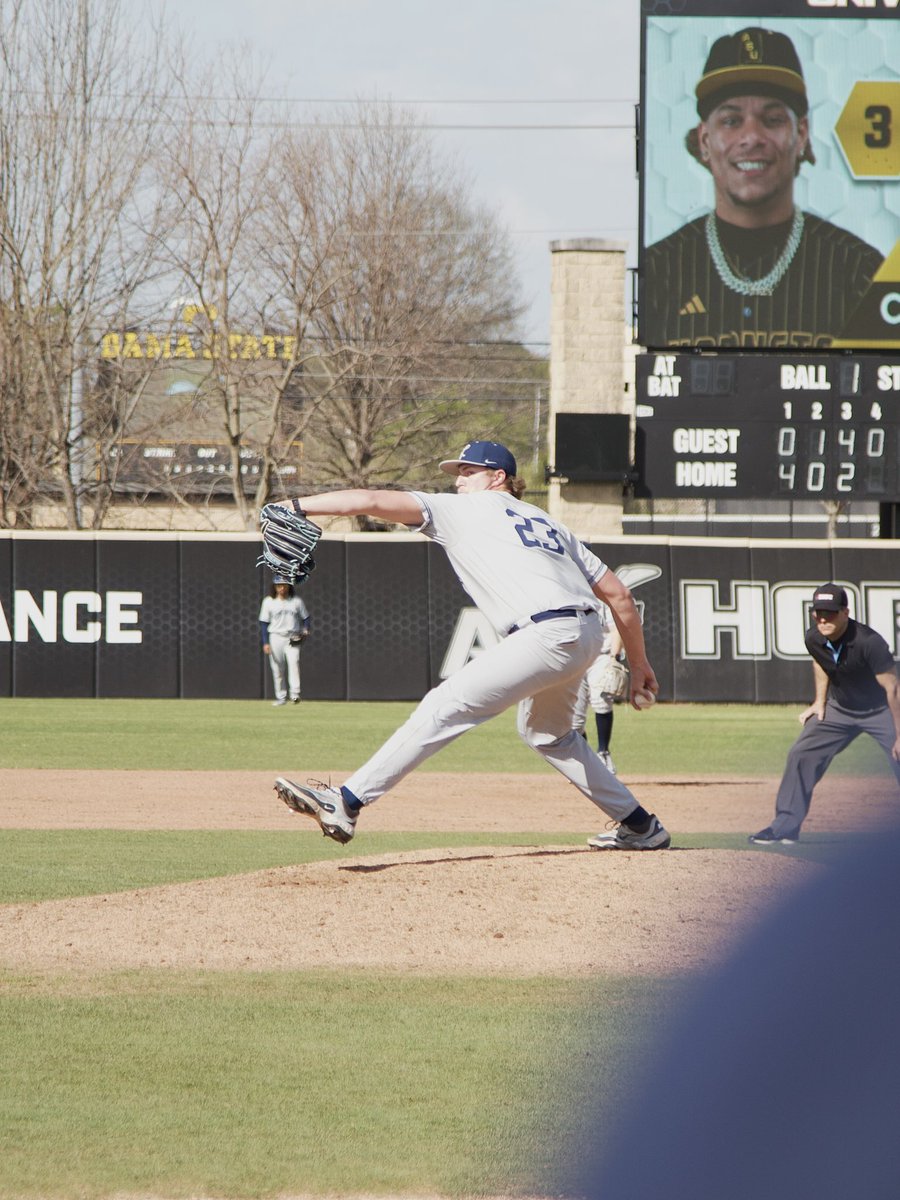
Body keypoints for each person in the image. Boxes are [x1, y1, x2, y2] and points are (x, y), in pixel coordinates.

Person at [270, 439, 670, 851]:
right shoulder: (548, 522)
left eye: (467, 471)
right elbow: (619, 596)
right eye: (457, 472)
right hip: (584, 634)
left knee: (447, 705)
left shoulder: (461, 508)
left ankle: (345, 802)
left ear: (498, 477)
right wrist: (639, 664)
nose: (458, 480)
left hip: (546, 634)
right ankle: (640, 825)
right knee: (549, 735)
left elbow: (369, 499)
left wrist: (297, 506)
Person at [643, 27, 883, 349]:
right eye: (731, 121)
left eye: (771, 120)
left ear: (800, 135)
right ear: (704, 141)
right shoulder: (659, 271)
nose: (752, 137)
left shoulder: (860, 271)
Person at [750, 583, 900, 845]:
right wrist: (819, 701)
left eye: (830, 612)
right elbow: (821, 662)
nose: (823, 618)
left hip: (882, 710)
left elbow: (893, 689)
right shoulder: (814, 637)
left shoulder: (869, 642)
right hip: (840, 708)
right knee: (801, 753)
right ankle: (784, 827)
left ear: (845, 612)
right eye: (818, 612)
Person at [572, 612, 625, 775]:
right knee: (575, 721)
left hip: (602, 656)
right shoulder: (570, 593)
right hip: (575, 657)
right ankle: (585, 761)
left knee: (601, 701)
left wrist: (614, 658)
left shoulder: (603, 596)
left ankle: (603, 752)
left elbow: (618, 628)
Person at [258, 576, 310, 707]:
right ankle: (281, 696)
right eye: (278, 585)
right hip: (275, 636)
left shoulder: (296, 601)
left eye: (284, 585)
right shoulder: (269, 602)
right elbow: (264, 622)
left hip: (292, 637)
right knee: (277, 668)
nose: (281, 588)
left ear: (289, 586)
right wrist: (266, 642)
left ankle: (295, 695)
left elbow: (306, 618)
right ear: (274, 587)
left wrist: (306, 629)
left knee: (294, 663)